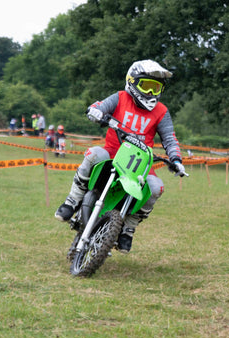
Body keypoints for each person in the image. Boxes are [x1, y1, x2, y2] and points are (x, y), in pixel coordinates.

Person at [55, 59, 186, 253]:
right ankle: (72, 200)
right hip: (112, 153)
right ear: (132, 81)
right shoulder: (120, 97)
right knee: (93, 154)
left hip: (140, 164)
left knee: (156, 188)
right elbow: (98, 106)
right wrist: (96, 112)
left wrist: (176, 160)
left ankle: (128, 228)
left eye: (155, 88)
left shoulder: (162, 112)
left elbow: (169, 138)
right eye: (146, 86)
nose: (150, 93)